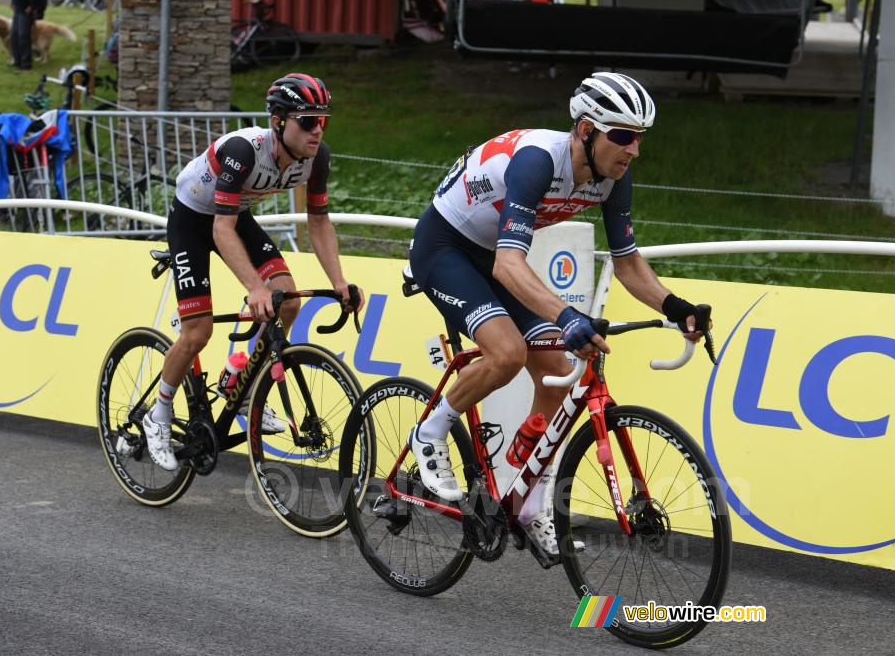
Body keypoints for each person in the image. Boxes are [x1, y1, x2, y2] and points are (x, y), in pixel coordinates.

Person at [407, 72, 708, 558]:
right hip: (445, 246)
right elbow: (509, 263)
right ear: (587, 131)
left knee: (556, 372)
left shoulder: (612, 179)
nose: (634, 150)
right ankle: (431, 429)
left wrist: (677, 309)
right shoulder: (536, 161)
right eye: (624, 137)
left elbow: (628, 264)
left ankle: (525, 500)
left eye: (640, 138)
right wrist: (568, 315)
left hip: (491, 252)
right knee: (507, 352)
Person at [138, 73, 365, 471]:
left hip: (234, 215)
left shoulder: (317, 158)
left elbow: (319, 223)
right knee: (198, 332)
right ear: (278, 121)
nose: (317, 130)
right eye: (307, 121)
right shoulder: (244, 151)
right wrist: (254, 288)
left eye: (323, 121)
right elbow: (219, 229)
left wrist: (339, 282)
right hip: (193, 219)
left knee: (288, 301)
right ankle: (157, 414)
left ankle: (236, 382)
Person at [9, 0, 38, 69]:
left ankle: (26, 63)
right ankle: (17, 60)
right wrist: (12, 3)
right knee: (14, 35)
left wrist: (32, 6)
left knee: (23, 35)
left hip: (25, 10)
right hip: (17, 9)